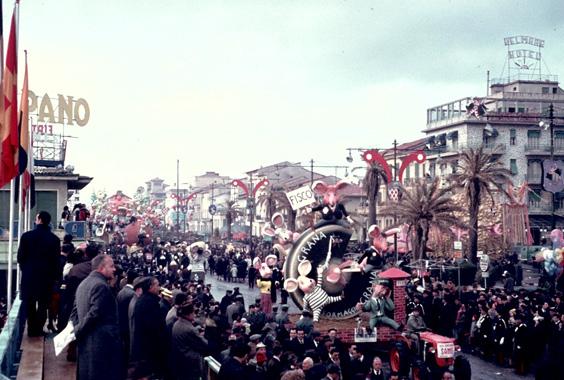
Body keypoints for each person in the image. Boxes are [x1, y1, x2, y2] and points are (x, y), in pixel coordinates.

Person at [71, 254, 123, 380]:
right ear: (101, 268)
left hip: (86, 344)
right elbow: (94, 314)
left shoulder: (83, 284)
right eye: (111, 266)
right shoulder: (101, 286)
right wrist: (77, 331)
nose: (114, 269)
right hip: (101, 346)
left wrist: (76, 330)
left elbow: (74, 313)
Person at [17, 211, 61, 337]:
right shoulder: (54, 239)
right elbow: (56, 262)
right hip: (46, 278)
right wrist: (55, 278)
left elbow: (21, 257)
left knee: (29, 304)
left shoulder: (26, 236)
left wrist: (26, 269)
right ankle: (38, 329)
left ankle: (31, 329)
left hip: (29, 276)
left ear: (40, 220)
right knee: (43, 304)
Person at [170, 303, 209, 380]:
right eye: (193, 313)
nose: (194, 315)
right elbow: (204, 344)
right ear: (189, 314)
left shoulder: (176, 323)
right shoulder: (190, 329)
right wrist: (201, 335)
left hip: (179, 357)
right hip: (191, 360)